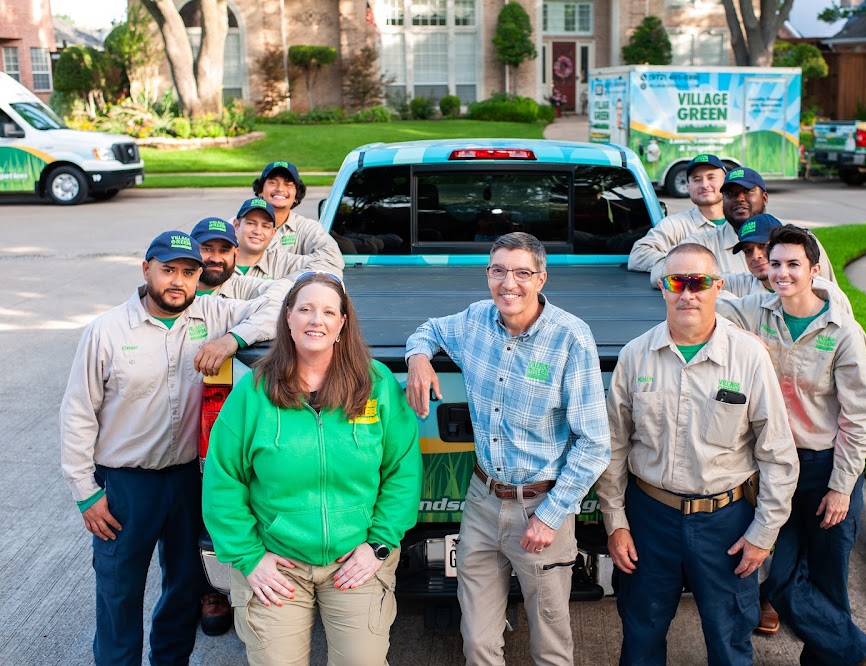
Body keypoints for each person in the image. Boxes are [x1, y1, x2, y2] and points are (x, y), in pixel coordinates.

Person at [60, 230, 277, 665]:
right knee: (119, 593)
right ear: (146, 270)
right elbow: (78, 413)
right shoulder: (105, 331)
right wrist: (85, 491)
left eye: (189, 272)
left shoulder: (211, 314)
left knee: (184, 588)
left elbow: (285, 300)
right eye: (169, 270)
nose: (178, 281)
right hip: (125, 485)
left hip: (186, 481)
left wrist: (233, 339)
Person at [404, 232, 611, 666]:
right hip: (481, 502)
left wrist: (553, 516)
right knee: (477, 642)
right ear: (487, 274)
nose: (508, 283)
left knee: (550, 647)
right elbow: (430, 329)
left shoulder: (570, 338)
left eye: (522, 273)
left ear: (541, 278)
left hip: (540, 508)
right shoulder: (476, 320)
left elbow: (594, 444)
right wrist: (418, 358)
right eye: (499, 271)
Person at [202, 272, 422, 665]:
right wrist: (249, 557)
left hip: (355, 560)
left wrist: (378, 545)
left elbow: (402, 470)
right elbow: (223, 480)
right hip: (277, 564)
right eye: (305, 309)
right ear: (288, 318)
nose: (315, 320)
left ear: (342, 323)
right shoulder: (253, 391)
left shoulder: (376, 384)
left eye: (327, 311)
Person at [595, 242, 799, 666]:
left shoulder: (749, 358)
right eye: (676, 282)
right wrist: (616, 522)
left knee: (729, 640)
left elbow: (777, 454)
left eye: (699, 282)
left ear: (717, 287)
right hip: (650, 518)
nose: (687, 293)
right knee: (641, 635)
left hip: (726, 523)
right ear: (663, 288)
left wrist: (763, 534)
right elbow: (614, 446)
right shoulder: (635, 356)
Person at [716, 225, 866, 666]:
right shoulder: (755, 311)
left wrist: (841, 487)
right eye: (775, 263)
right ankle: (864, 656)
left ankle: (827, 661)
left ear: (815, 270)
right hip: (777, 467)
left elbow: (859, 419)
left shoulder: (843, 330)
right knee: (780, 581)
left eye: (793, 264)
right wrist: (745, 340)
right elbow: (711, 308)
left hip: (825, 467)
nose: (781, 272)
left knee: (828, 580)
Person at [682, 167, 837, 281]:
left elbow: (831, 296)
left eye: (747, 191)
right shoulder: (702, 245)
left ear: (765, 198)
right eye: (731, 194)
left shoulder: (801, 239)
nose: (739, 198)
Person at [628, 154, 728, 286]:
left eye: (711, 177)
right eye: (697, 179)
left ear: (726, 182)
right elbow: (638, 255)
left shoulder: (742, 224)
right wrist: (682, 264)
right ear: (688, 187)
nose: (704, 185)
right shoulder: (675, 224)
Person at [721, 212, 851, 313]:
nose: (755, 256)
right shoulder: (740, 284)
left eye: (762, 245)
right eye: (748, 250)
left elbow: (851, 338)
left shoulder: (828, 293)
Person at [253, 160, 348, 267]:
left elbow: (334, 259)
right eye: (272, 183)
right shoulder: (240, 225)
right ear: (260, 191)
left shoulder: (308, 228)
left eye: (288, 184)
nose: (280, 189)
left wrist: (282, 267)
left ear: (296, 195)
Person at [232, 197, 344, 280]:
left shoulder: (281, 261)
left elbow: (331, 266)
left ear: (273, 233)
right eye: (251, 223)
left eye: (265, 226)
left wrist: (285, 284)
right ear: (236, 225)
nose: (257, 231)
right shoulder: (220, 260)